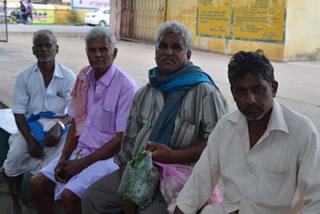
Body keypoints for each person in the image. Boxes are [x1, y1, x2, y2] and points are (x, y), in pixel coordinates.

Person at [82, 21, 228, 214]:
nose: (168, 52)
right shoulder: (144, 93)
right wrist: (130, 183)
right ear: (156, 52)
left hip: (181, 176)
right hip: (138, 171)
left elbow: (219, 145)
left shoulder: (204, 92)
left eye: (176, 47)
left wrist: (174, 156)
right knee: (93, 199)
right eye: (163, 46)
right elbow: (129, 142)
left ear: (188, 55)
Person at [174, 50, 320, 214]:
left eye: (258, 89)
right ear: (233, 94)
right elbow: (199, 181)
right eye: (241, 91)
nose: (250, 99)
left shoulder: (302, 132)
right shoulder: (226, 128)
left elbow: (316, 200)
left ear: (273, 88)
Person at [29, 26, 137, 214]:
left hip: (109, 158)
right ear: (86, 52)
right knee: (37, 184)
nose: (97, 55)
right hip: (81, 150)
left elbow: (120, 139)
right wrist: (63, 159)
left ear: (115, 52)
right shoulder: (83, 79)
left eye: (103, 49)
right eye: (92, 50)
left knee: (70, 196)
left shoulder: (126, 86)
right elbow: (76, 125)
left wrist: (79, 165)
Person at [1, 29, 75, 214]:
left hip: (60, 128)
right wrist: (30, 140)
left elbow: (74, 111)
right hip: (30, 127)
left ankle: (48, 202)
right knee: (13, 160)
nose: (43, 50)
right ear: (33, 51)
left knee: (56, 165)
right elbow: (18, 113)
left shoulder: (68, 77)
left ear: (56, 49)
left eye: (47, 45)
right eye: (39, 46)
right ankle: (17, 202)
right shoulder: (24, 77)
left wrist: (59, 126)